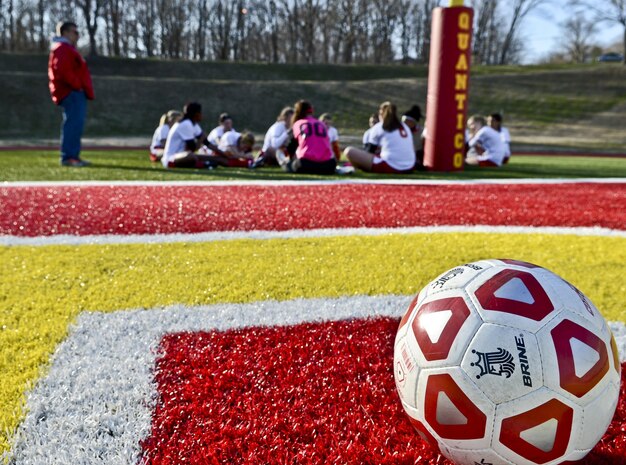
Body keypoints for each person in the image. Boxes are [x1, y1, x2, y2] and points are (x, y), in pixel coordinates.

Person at [48, 21, 95, 167]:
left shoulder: (66, 48)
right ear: (65, 33)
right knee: (73, 124)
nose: (77, 35)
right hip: (71, 92)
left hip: (74, 91)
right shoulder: (62, 48)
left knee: (75, 124)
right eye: (75, 32)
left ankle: (72, 155)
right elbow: (63, 70)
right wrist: (77, 85)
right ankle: (69, 157)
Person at [343, 101, 415, 174]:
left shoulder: (380, 126)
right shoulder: (405, 126)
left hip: (391, 166)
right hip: (410, 166)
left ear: (381, 113)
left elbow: (369, 151)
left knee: (349, 151)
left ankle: (357, 168)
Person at [280, 100, 336, 174]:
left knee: (284, 159)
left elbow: (290, 146)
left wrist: (291, 158)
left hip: (306, 164)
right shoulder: (321, 124)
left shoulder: (298, 124)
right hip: (328, 166)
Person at [161, 102, 217, 169]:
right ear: (196, 114)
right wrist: (201, 139)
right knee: (191, 156)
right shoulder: (186, 124)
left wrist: (224, 154)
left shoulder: (194, 124)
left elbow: (207, 143)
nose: (202, 115)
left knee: (215, 158)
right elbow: (192, 148)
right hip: (171, 158)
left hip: (183, 155)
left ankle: (205, 164)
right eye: (200, 113)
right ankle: (204, 164)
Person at [402, 105, 424, 169]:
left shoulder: (421, 132)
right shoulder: (400, 132)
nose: (404, 123)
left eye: (406, 121)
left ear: (412, 122)